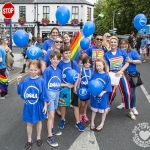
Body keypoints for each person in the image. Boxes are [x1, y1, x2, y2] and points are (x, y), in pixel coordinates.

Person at [17, 60, 49, 150]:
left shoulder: (41, 81)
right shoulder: (26, 80)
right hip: (28, 106)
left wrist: (45, 105)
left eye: (35, 70)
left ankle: (38, 137)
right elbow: (20, 91)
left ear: (39, 70)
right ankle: (29, 139)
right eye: (31, 69)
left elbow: (45, 95)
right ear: (28, 69)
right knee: (29, 123)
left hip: (38, 105)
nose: (33, 72)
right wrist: (18, 82)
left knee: (39, 121)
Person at [43, 51, 72, 147]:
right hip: (49, 94)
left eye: (57, 59)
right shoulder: (47, 70)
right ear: (50, 59)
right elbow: (44, 85)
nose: (55, 61)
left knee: (53, 112)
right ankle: (49, 137)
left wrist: (66, 84)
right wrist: (46, 100)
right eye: (53, 59)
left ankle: (51, 128)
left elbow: (58, 83)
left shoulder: (59, 70)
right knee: (50, 115)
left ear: (60, 60)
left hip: (57, 93)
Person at [58, 45, 85, 131]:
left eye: (69, 52)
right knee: (63, 105)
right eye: (66, 53)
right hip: (64, 88)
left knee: (75, 105)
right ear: (62, 54)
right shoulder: (59, 64)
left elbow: (78, 76)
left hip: (73, 87)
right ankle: (63, 119)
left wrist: (75, 87)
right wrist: (64, 85)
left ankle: (77, 122)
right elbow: (57, 77)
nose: (68, 54)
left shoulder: (73, 63)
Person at [104, 36, 132, 113]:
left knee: (127, 92)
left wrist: (120, 71)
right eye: (111, 42)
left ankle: (130, 110)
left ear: (117, 43)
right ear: (109, 43)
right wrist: (108, 74)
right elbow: (107, 66)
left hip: (121, 74)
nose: (113, 44)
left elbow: (127, 63)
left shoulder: (122, 52)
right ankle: (107, 106)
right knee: (110, 93)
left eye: (115, 42)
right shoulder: (106, 54)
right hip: (112, 74)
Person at [117, 39, 141, 120]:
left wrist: (131, 61)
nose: (123, 45)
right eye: (122, 44)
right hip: (122, 74)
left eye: (125, 44)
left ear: (128, 44)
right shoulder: (119, 52)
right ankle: (123, 103)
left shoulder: (133, 52)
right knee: (123, 90)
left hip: (131, 75)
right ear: (120, 45)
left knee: (132, 92)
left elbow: (139, 61)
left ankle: (133, 106)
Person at [90, 59, 112, 131]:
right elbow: (91, 84)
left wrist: (102, 93)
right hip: (94, 96)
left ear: (103, 66)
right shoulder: (94, 74)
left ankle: (102, 123)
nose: (98, 67)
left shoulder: (106, 76)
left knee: (103, 110)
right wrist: (93, 92)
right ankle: (92, 122)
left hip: (103, 96)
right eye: (97, 66)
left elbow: (108, 86)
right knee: (94, 109)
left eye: (100, 65)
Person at [75, 56, 93, 123]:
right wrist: (75, 87)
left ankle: (84, 114)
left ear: (91, 63)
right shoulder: (81, 70)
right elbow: (78, 79)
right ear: (83, 63)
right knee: (82, 104)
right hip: (82, 90)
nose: (87, 64)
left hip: (89, 90)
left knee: (86, 104)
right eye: (85, 63)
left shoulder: (91, 70)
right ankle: (80, 114)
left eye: (89, 63)